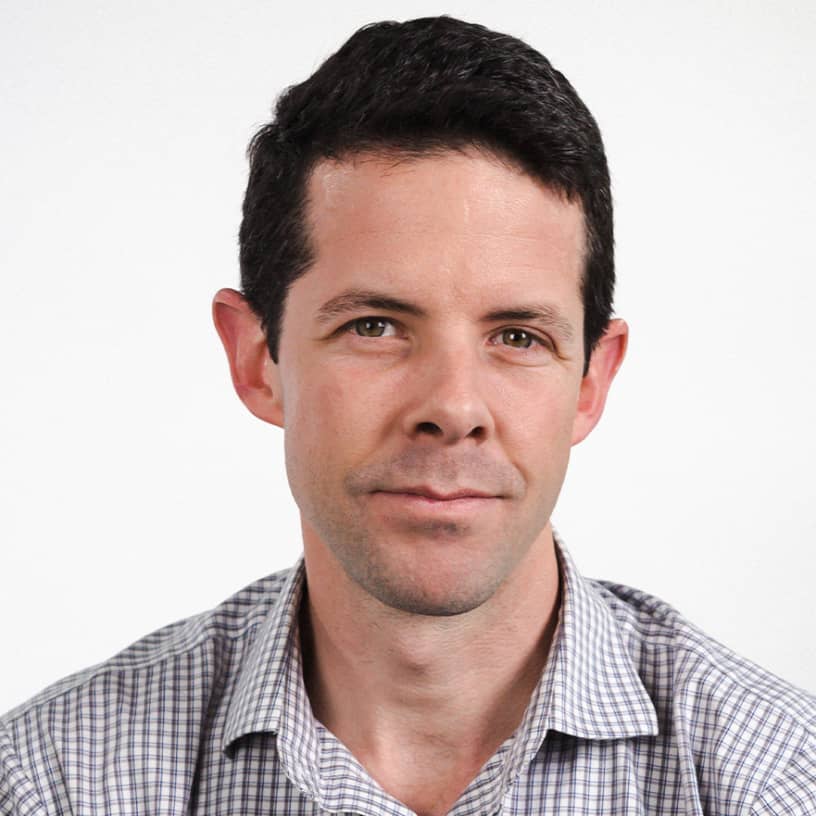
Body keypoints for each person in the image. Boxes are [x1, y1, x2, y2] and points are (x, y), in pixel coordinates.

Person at [1, 15, 813, 816]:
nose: (454, 409)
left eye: (518, 336)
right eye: (376, 327)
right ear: (257, 360)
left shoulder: (780, 782)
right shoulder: (56, 783)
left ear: (591, 382)